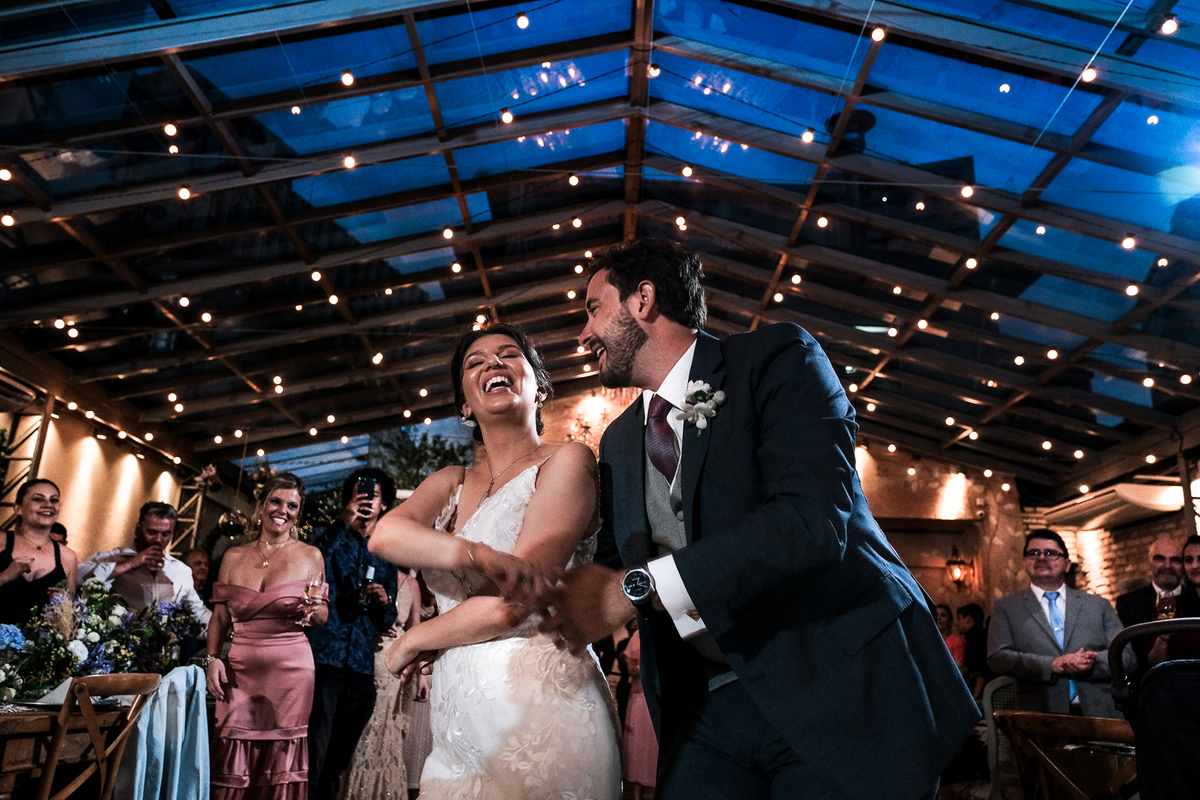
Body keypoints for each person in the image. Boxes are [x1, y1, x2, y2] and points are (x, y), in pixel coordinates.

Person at [525, 239, 977, 800]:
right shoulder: (617, 440)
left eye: (593, 309)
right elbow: (605, 567)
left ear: (643, 299)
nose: (583, 334)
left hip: (832, 685)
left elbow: (810, 521)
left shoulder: (776, 359)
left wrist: (640, 589)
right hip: (703, 710)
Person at [367, 324, 621, 799]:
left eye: (509, 354)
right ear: (464, 404)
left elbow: (514, 604)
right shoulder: (452, 481)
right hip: (455, 726)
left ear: (540, 387)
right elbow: (385, 535)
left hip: (540, 711)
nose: (493, 363)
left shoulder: (567, 461)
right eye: (475, 361)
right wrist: (478, 555)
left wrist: (414, 639)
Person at [205, 473, 328, 800]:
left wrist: (312, 607)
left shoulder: (311, 556)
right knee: (230, 752)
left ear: (298, 513)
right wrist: (212, 659)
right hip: (239, 671)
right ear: (260, 505)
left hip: (291, 673)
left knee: (279, 759)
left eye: (292, 506)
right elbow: (220, 617)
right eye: (276, 501)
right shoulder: (233, 557)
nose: (283, 510)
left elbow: (322, 616)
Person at [306, 468, 401, 800]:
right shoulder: (326, 537)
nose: (366, 500)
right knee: (312, 759)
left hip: (361, 669)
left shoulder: (386, 555)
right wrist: (343, 522)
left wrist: (383, 602)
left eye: (373, 495)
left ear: (384, 505)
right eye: (359, 494)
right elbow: (311, 561)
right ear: (348, 499)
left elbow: (387, 621)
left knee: (337, 764)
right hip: (324, 661)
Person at [987, 529, 1129, 718]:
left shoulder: (1098, 605)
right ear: (1024, 563)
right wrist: (1051, 665)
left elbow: (1127, 656)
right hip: (1040, 716)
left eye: (1051, 553)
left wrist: (1090, 662)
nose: (1042, 558)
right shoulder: (1007, 607)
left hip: (1101, 712)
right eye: (1034, 553)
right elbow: (998, 658)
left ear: (1067, 565)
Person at [78, 501, 211, 625]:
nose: (158, 540)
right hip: (119, 638)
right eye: (152, 532)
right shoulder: (112, 557)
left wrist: (220, 624)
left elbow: (197, 612)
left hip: (162, 641)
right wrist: (130, 563)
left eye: (165, 534)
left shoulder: (181, 570)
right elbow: (77, 578)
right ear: (138, 529)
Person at [0, 479, 78, 625]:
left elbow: (69, 622)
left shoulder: (68, 557)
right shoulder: (2, 542)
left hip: (38, 639)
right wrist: (4, 576)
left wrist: (65, 605)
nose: (48, 505)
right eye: (38, 499)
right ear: (18, 508)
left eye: (54, 500)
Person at [1115, 536, 1184, 694]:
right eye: (1160, 559)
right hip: (1149, 689)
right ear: (1148, 562)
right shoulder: (1129, 603)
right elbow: (1131, 655)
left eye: (1175, 560)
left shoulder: (1195, 598)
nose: (1167, 565)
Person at [1148, 534, 1200, 664]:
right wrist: (1163, 638)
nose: (1194, 565)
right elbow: (1155, 663)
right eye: (1188, 560)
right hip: (1184, 675)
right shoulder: (1173, 605)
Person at [622, 629, 657, 800]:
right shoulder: (638, 636)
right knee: (636, 746)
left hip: (655, 697)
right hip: (639, 696)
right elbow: (632, 670)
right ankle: (637, 796)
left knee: (653, 746)